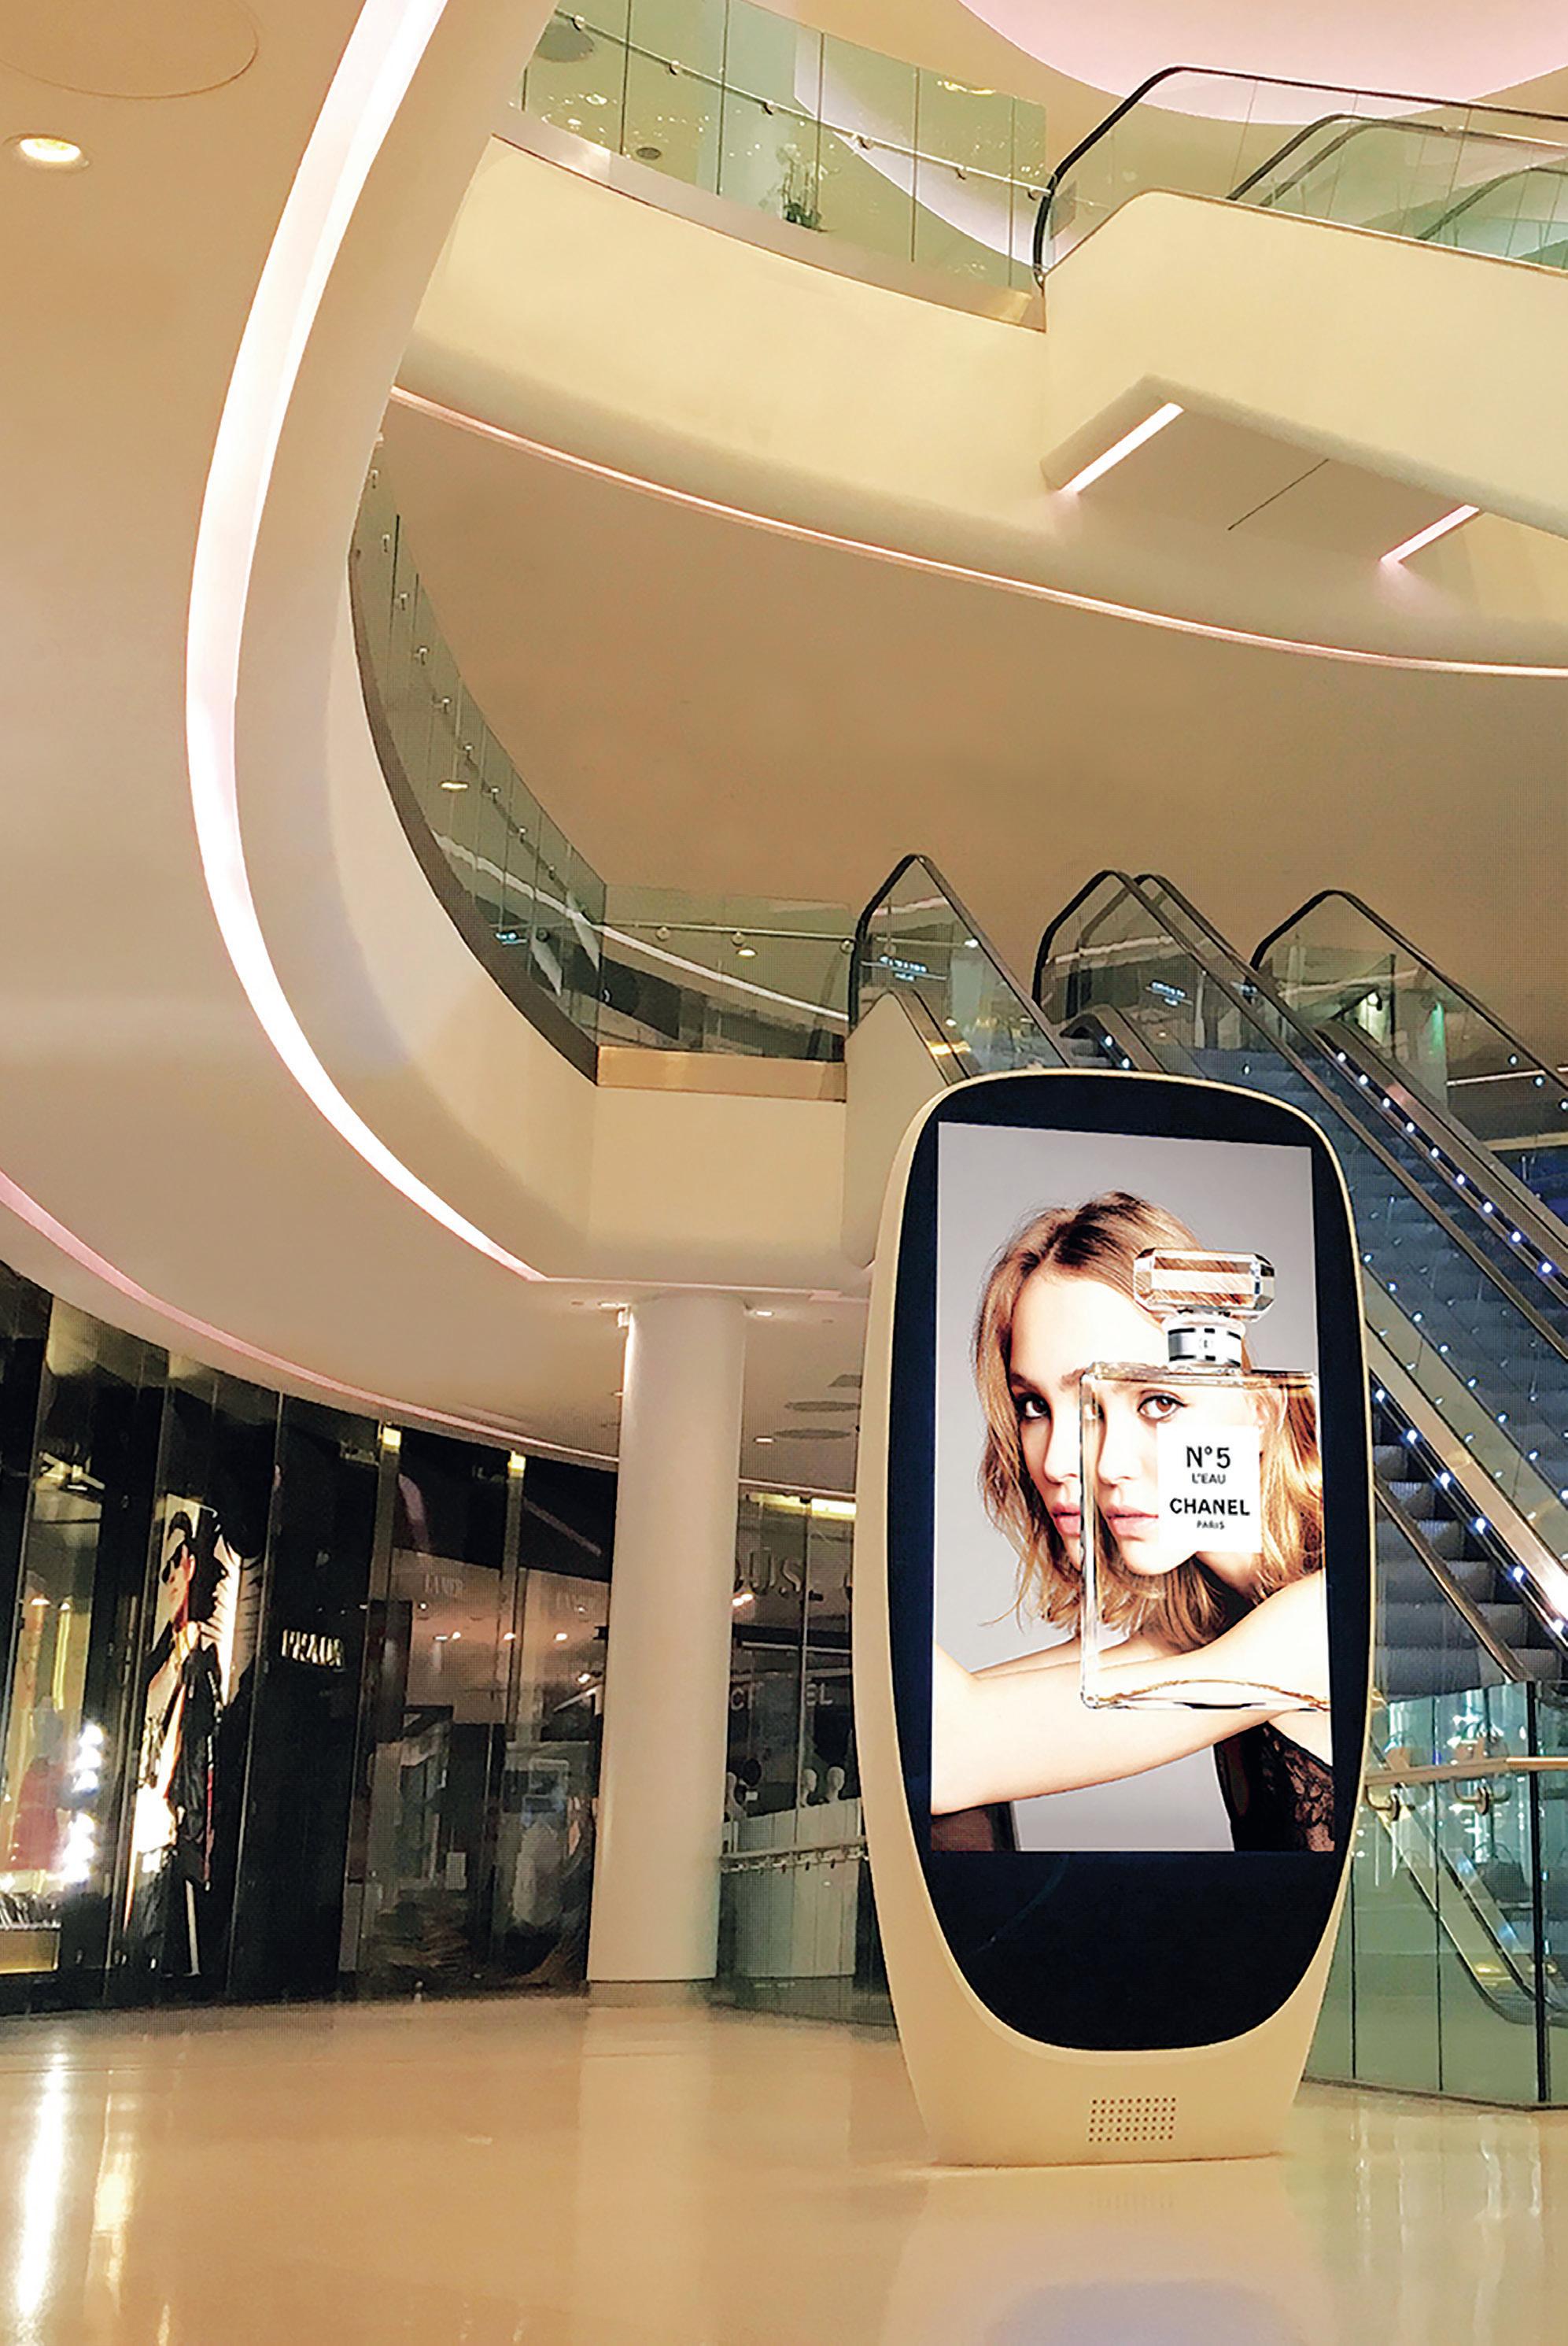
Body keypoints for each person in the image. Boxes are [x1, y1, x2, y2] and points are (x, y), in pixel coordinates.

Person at [935, 1192, 1333, 1853]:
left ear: (1259, 1411)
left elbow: (951, 1751)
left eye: (1155, 1401)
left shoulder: (1320, 1618)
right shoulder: (1211, 1619)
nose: (1062, 1462)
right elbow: (946, 1721)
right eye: (1034, 1405)